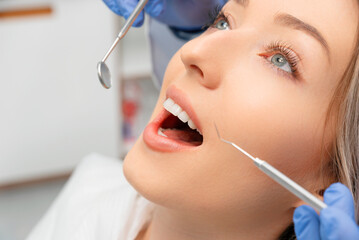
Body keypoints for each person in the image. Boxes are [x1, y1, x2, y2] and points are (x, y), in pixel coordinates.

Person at [27, 0, 359, 239]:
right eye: (223, 20)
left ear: (330, 183)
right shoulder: (87, 190)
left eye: (280, 60)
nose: (194, 52)